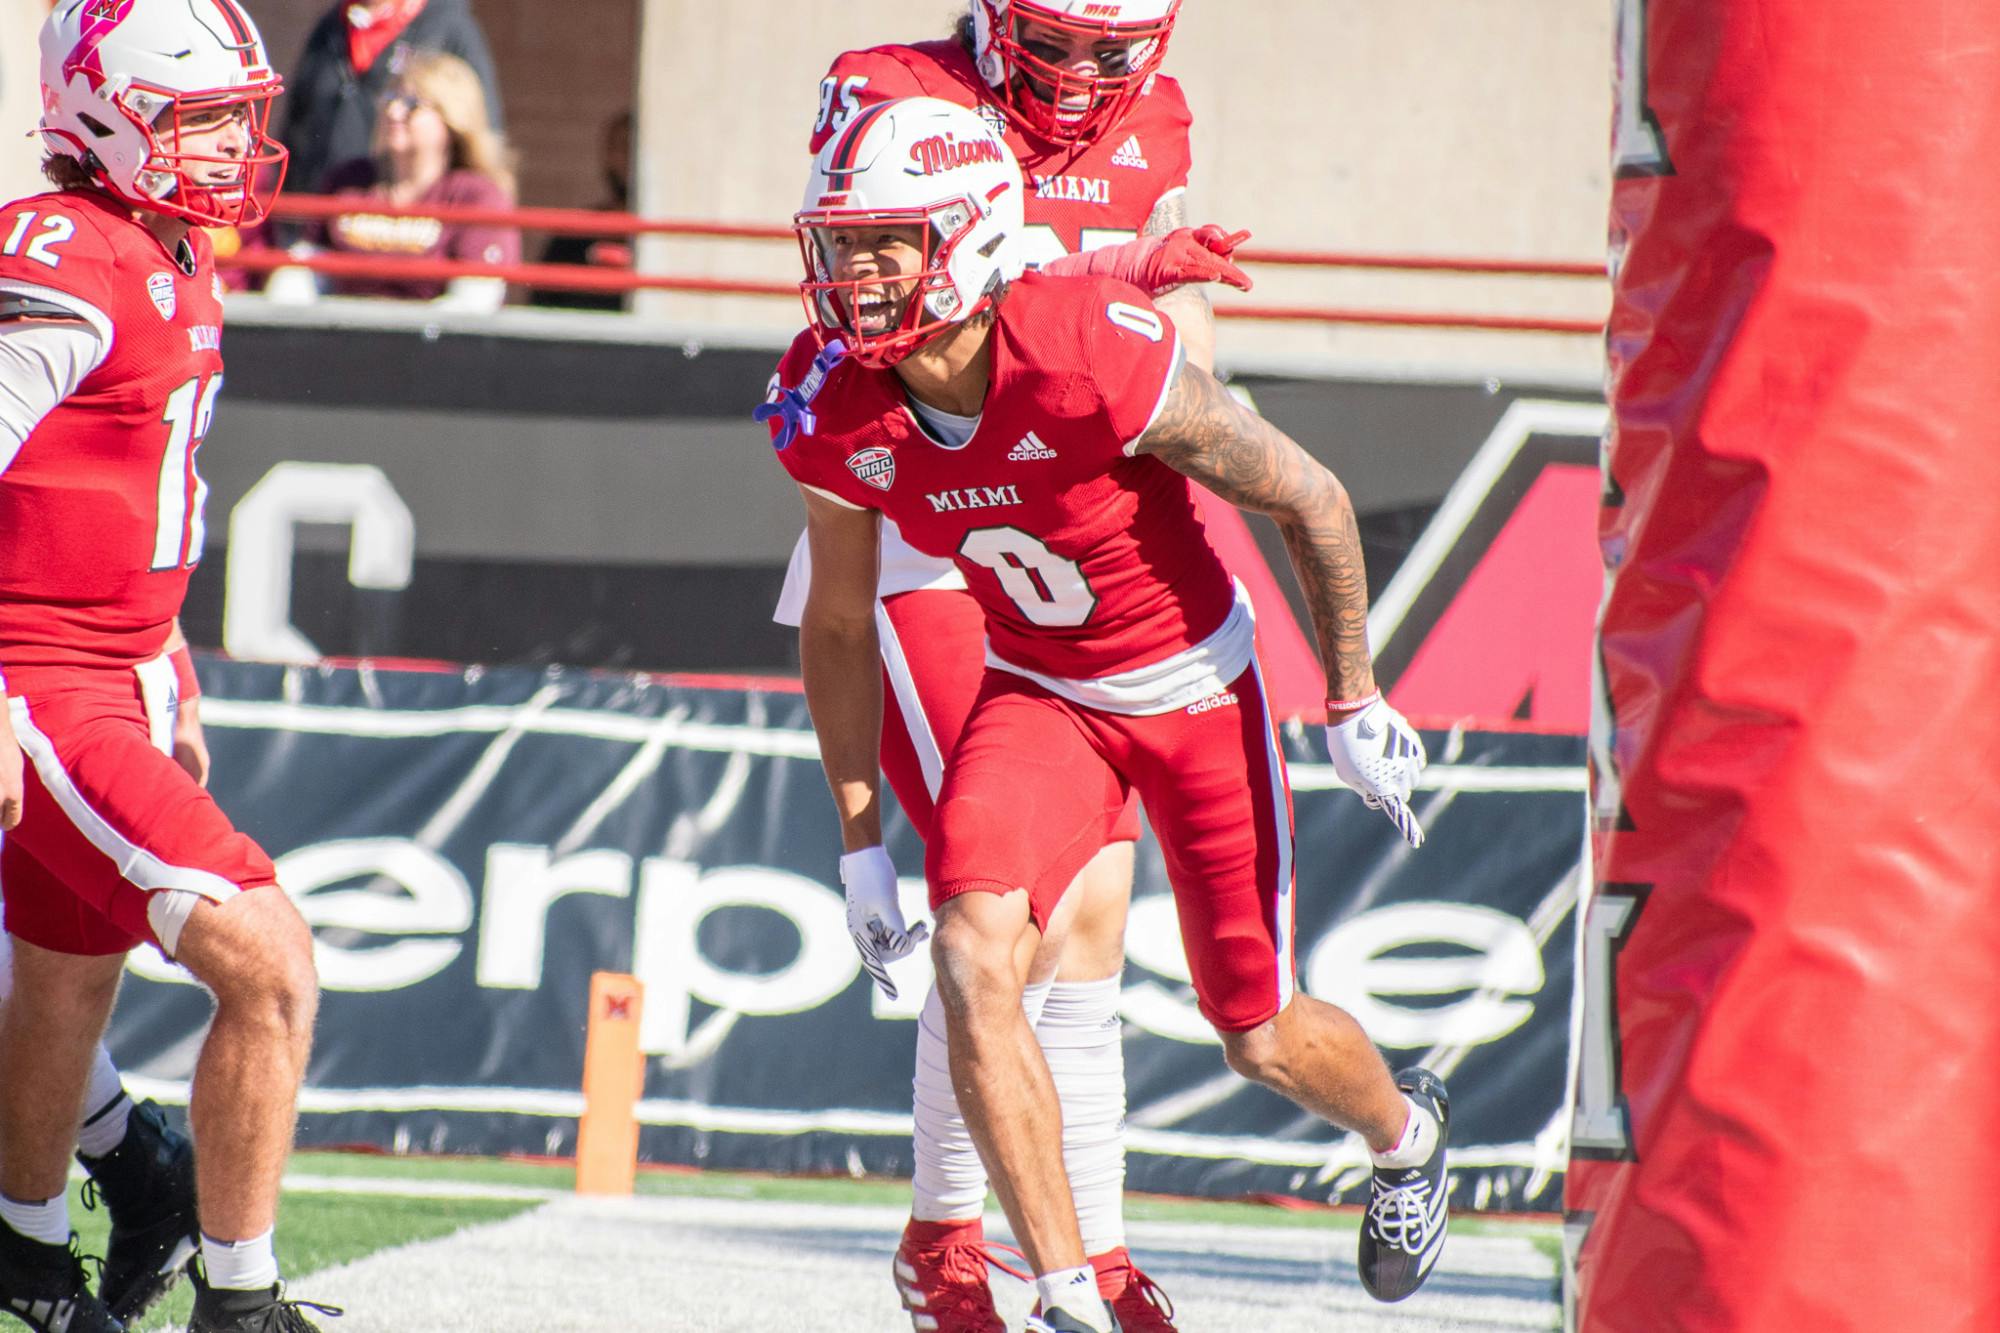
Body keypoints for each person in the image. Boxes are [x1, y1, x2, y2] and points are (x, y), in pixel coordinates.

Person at [764, 98, 1450, 1333]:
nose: (853, 278)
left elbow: (1311, 496)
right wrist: (861, 839)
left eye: (886, 244)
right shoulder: (832, 401)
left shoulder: (1090, 347)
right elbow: (832, 621)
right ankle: (1066, 1291)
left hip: (1192, 689)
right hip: (1041, 695)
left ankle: (1403, 1136)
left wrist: (1350, 695)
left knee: (1257, 1029)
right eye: (842, 244)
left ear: (967, 240)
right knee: (976, 955)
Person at [773, 5, 1224, 1327]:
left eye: (1110, 48)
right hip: (925, 528)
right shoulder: (887, 85)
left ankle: (1083, 1243)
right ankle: (954, 1237)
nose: (1084, 75)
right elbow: (871, 301)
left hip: (1064, 546)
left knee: (1091, 906)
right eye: (1057, 40)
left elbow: (1185, 355)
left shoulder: (1158, 117)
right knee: (1007, 912)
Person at [0, 2, 332, 1330]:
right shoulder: (73, 250)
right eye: (195, 119)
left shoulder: (168, 243)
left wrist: (166, 657)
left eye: (230, 118)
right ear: (100, 114)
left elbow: (135, 485)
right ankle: (239, 1301)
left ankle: (23, 1247)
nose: (226, 147)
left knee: (70, 972)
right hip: (36, 674)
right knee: (266, 959)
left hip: (112, 667)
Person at [311, 49, 519, 311]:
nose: (394, 111)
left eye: (412, 104)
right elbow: (307, 270)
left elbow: (474, 301)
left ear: (452, 119)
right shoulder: (348, 180)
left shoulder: (476, 195)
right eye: (389, 98)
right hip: (340, 336)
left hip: (430, 344)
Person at [279, 0, 502, 198]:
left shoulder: (449, 28)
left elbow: (483, 132)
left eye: (409, 104)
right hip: (326, 210)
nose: (394, 110)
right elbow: (296, 125)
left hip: (420, 214)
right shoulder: (330, 28)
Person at [528, 110, 633, 313]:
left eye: (634, 146)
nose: (628, 159)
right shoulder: (573, 233)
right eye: (620, 147)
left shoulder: (666, 243)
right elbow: (541, 305)